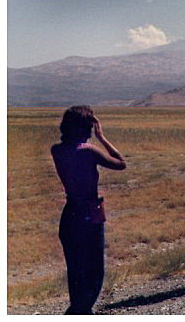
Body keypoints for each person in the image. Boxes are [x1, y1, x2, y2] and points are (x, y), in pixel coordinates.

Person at [51, 106, 126, 314]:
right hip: (89, 213)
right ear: (87, 127)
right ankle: (80, 312)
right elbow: (121, 163)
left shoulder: (56, 150)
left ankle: (77, 309)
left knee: (75, 270)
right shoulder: (88, 151)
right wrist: (102, 137)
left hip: (69, 213)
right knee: (94, 270)